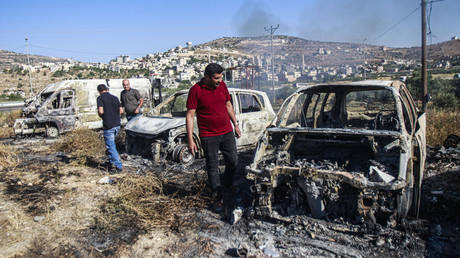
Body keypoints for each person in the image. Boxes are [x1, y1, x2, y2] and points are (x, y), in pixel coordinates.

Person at [186, 63, 241, 218]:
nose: (220, 80)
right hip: (208, 135)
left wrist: (235, 124)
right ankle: (218, 198)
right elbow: (190, 115)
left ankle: (226, 187)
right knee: (212, 166)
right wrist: (190, 139)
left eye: (221, 77)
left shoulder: (222, 86)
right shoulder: (195, 90)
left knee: (233, 161)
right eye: (216, 78)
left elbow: (228, 105)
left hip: (227, 132)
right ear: (207, 77)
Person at [97, 84, 123, 172]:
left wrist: (103, 115)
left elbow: (101, 111)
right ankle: (111, 162)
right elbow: (121, 111)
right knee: (112, 146)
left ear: (99, 91)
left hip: (108, 125)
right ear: (106, 89)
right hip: (117, 124)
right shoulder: (115, 97)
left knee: (111, 146)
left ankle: (118, 166)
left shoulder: (100, 98)